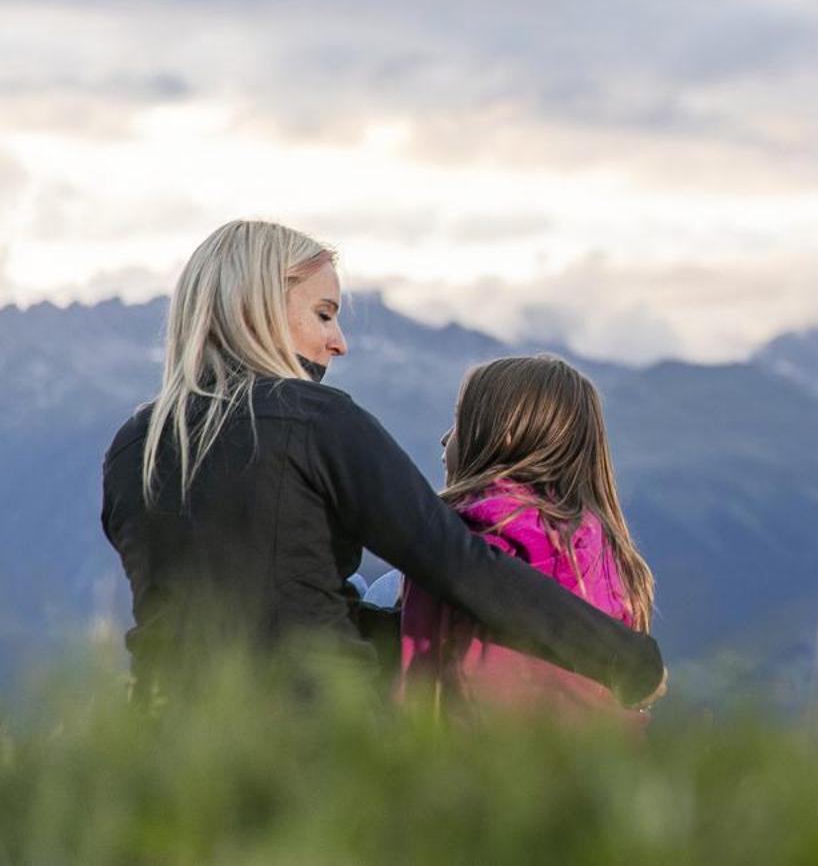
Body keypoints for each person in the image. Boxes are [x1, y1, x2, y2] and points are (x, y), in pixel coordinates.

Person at [100, 221, 666, 708]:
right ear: (264, 307)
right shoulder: (314, 423)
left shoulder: (133, 449)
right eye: (323, 314)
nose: (338, 341)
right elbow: (456, 561)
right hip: (311, 735)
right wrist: (625, 659)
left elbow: (258, 607)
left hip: (165, 733)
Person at [400, 354, 658, 720]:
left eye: (459, 421)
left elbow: (465, 684)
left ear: (506, 434)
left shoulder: (473, 542)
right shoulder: (601, 548)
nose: (444, 439)